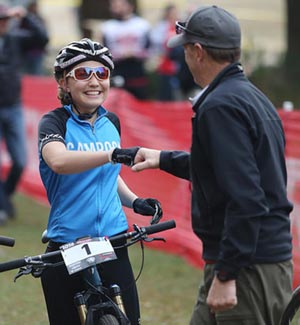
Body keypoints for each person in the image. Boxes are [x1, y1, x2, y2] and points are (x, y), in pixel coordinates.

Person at [115, 5, 294, 325]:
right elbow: (227, 169)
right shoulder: (248, 96)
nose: (183, 59)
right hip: (244, 259)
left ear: (198, 51)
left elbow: (247, 198)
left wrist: (227, 274)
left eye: (184, 50)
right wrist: (164, 159)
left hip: (246, 266)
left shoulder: (221, 105)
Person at [38, 38, 162, 325]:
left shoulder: (111, 122)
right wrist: (112, 154)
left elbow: (108, 175)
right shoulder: (54, 122)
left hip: (112, 237)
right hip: (68, 239)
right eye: (83, 74)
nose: (94, 81)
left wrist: (135, 201)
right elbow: (58, 161)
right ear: (64, 82)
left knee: (130, 320)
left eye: (102, 73)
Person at [0, 3, 49, 223]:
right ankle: (2, 206)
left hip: (13, 107)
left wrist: (27, 16)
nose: (4, 24)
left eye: (5, 19)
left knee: (19, 160)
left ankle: (4, 198)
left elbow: (41, 39)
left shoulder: (15, 39)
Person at [100, 0, 151, 100]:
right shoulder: (107, 27)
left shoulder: (142, 25)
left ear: (130, 6)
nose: (117, 8)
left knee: (140, 102)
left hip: (137, 70)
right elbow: (104, 52)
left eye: (120, 5)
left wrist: (135, 53)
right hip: (118, 70)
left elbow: (150, 49)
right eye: (114, 6)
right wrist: (119, 55)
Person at [149, 4, 181, 101]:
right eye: (172, 13)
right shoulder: (162, 27)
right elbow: (157, 44)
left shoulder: (179, 26)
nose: (175, 15)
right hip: (166, 65)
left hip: (178, 65)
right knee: (166, 92)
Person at [20, 0, 49, 75]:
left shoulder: (38, 19)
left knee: (36, 75)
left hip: (37, 52)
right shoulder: (23, 19)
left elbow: (43, 35)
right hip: (26, 53)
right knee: (26, 75)